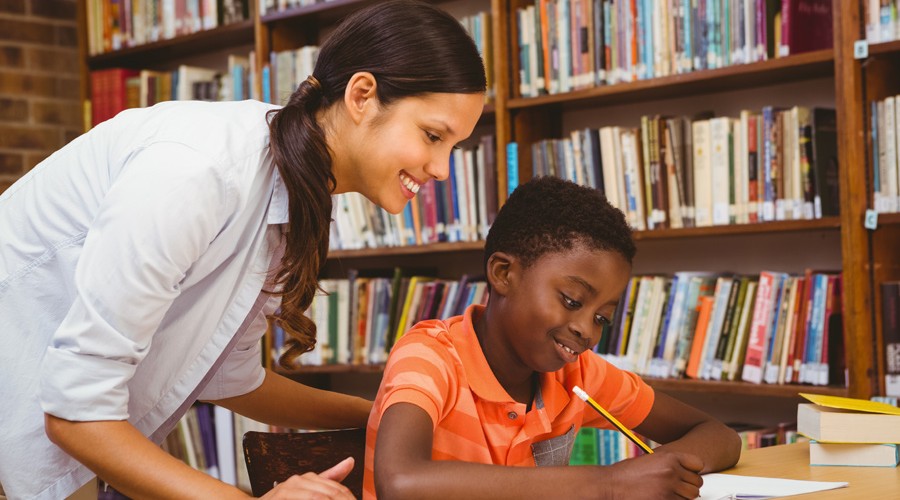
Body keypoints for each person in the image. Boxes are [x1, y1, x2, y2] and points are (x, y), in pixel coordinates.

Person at [0, 0, 486, 498]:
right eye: (432, 136)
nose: (442, 169)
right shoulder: (198, 173)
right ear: (362, 96)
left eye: (455, 147)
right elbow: (74, 412)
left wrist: (392, 420)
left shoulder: (298, 191)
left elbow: (230, 377)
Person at [364, 176, 743, 499]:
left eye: (601, 318)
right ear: (503, 273)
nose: (585, 329)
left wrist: (661, 468)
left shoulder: (579, 375)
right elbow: (401, 480)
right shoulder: (431, 357)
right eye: (571, 300)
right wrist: (609, 484)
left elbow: (720, 436)